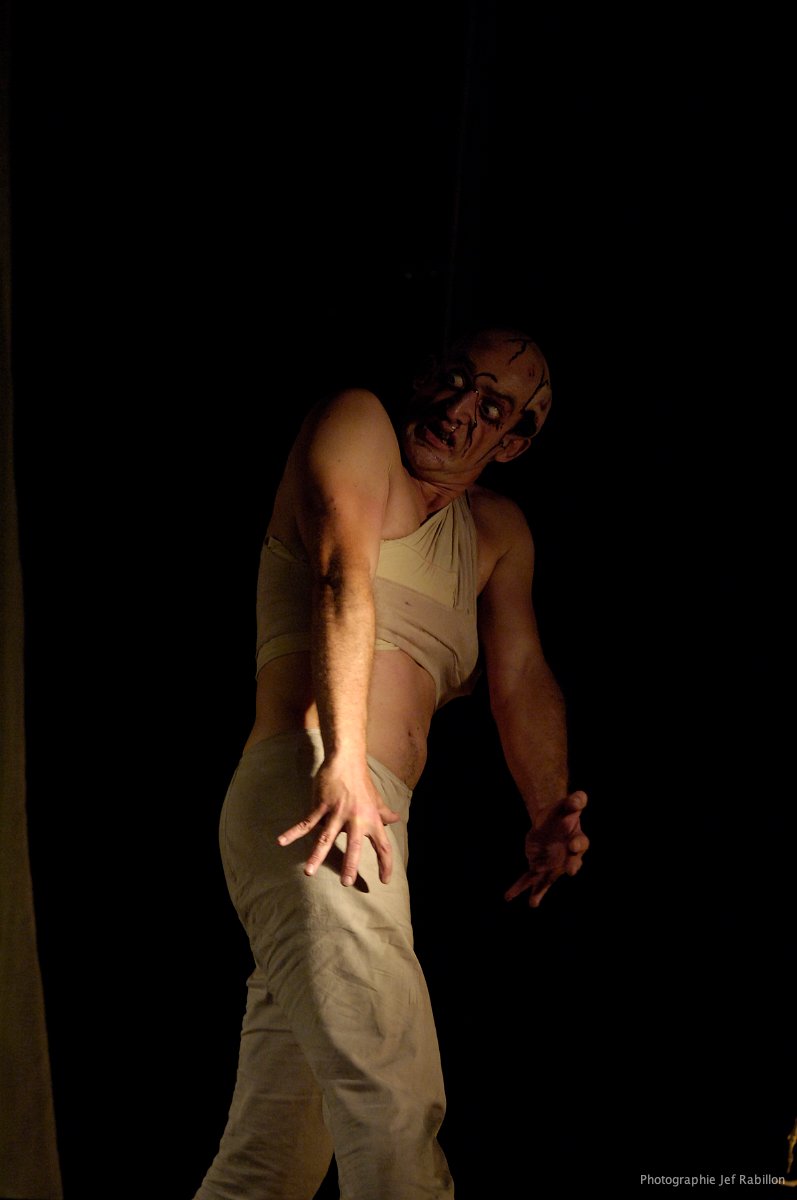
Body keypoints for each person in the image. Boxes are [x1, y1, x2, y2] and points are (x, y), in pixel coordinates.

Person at [193, 325, 589, 1200]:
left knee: (270, 1162)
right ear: (426, 373)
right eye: (455, 380)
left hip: (368, 810)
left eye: (491, 407)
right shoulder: (357, 422)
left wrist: (546, 807)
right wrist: (341, 758)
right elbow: (342, 573)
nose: (458, 408)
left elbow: (520, 676)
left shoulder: (495, 531)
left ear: (513, 441)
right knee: (393, 1104)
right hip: (313, 785)